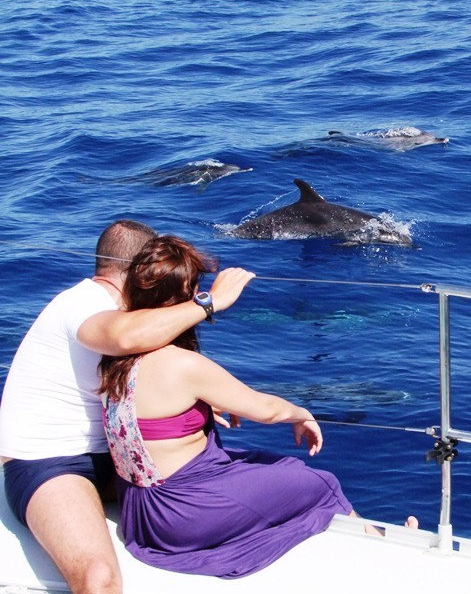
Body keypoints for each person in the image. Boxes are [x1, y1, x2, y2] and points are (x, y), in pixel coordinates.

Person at [98, 235, 414, 579]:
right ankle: (385, 550)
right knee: (319, 483)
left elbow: (153, 417)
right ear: (183, 299)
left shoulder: (112, 359)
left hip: (140, 512)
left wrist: (201, 410)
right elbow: (266, 410)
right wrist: (302, 414)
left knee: (263, 462)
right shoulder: (181, 365)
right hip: (179, 516)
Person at [0, 220, 255, 594]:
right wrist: (208, 302)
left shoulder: (124, 310)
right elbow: (123, 337)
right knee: (98, 580)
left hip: (115, 454)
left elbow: (131, 381)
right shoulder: (84, 302)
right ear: (140, 270)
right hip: (49, 463)